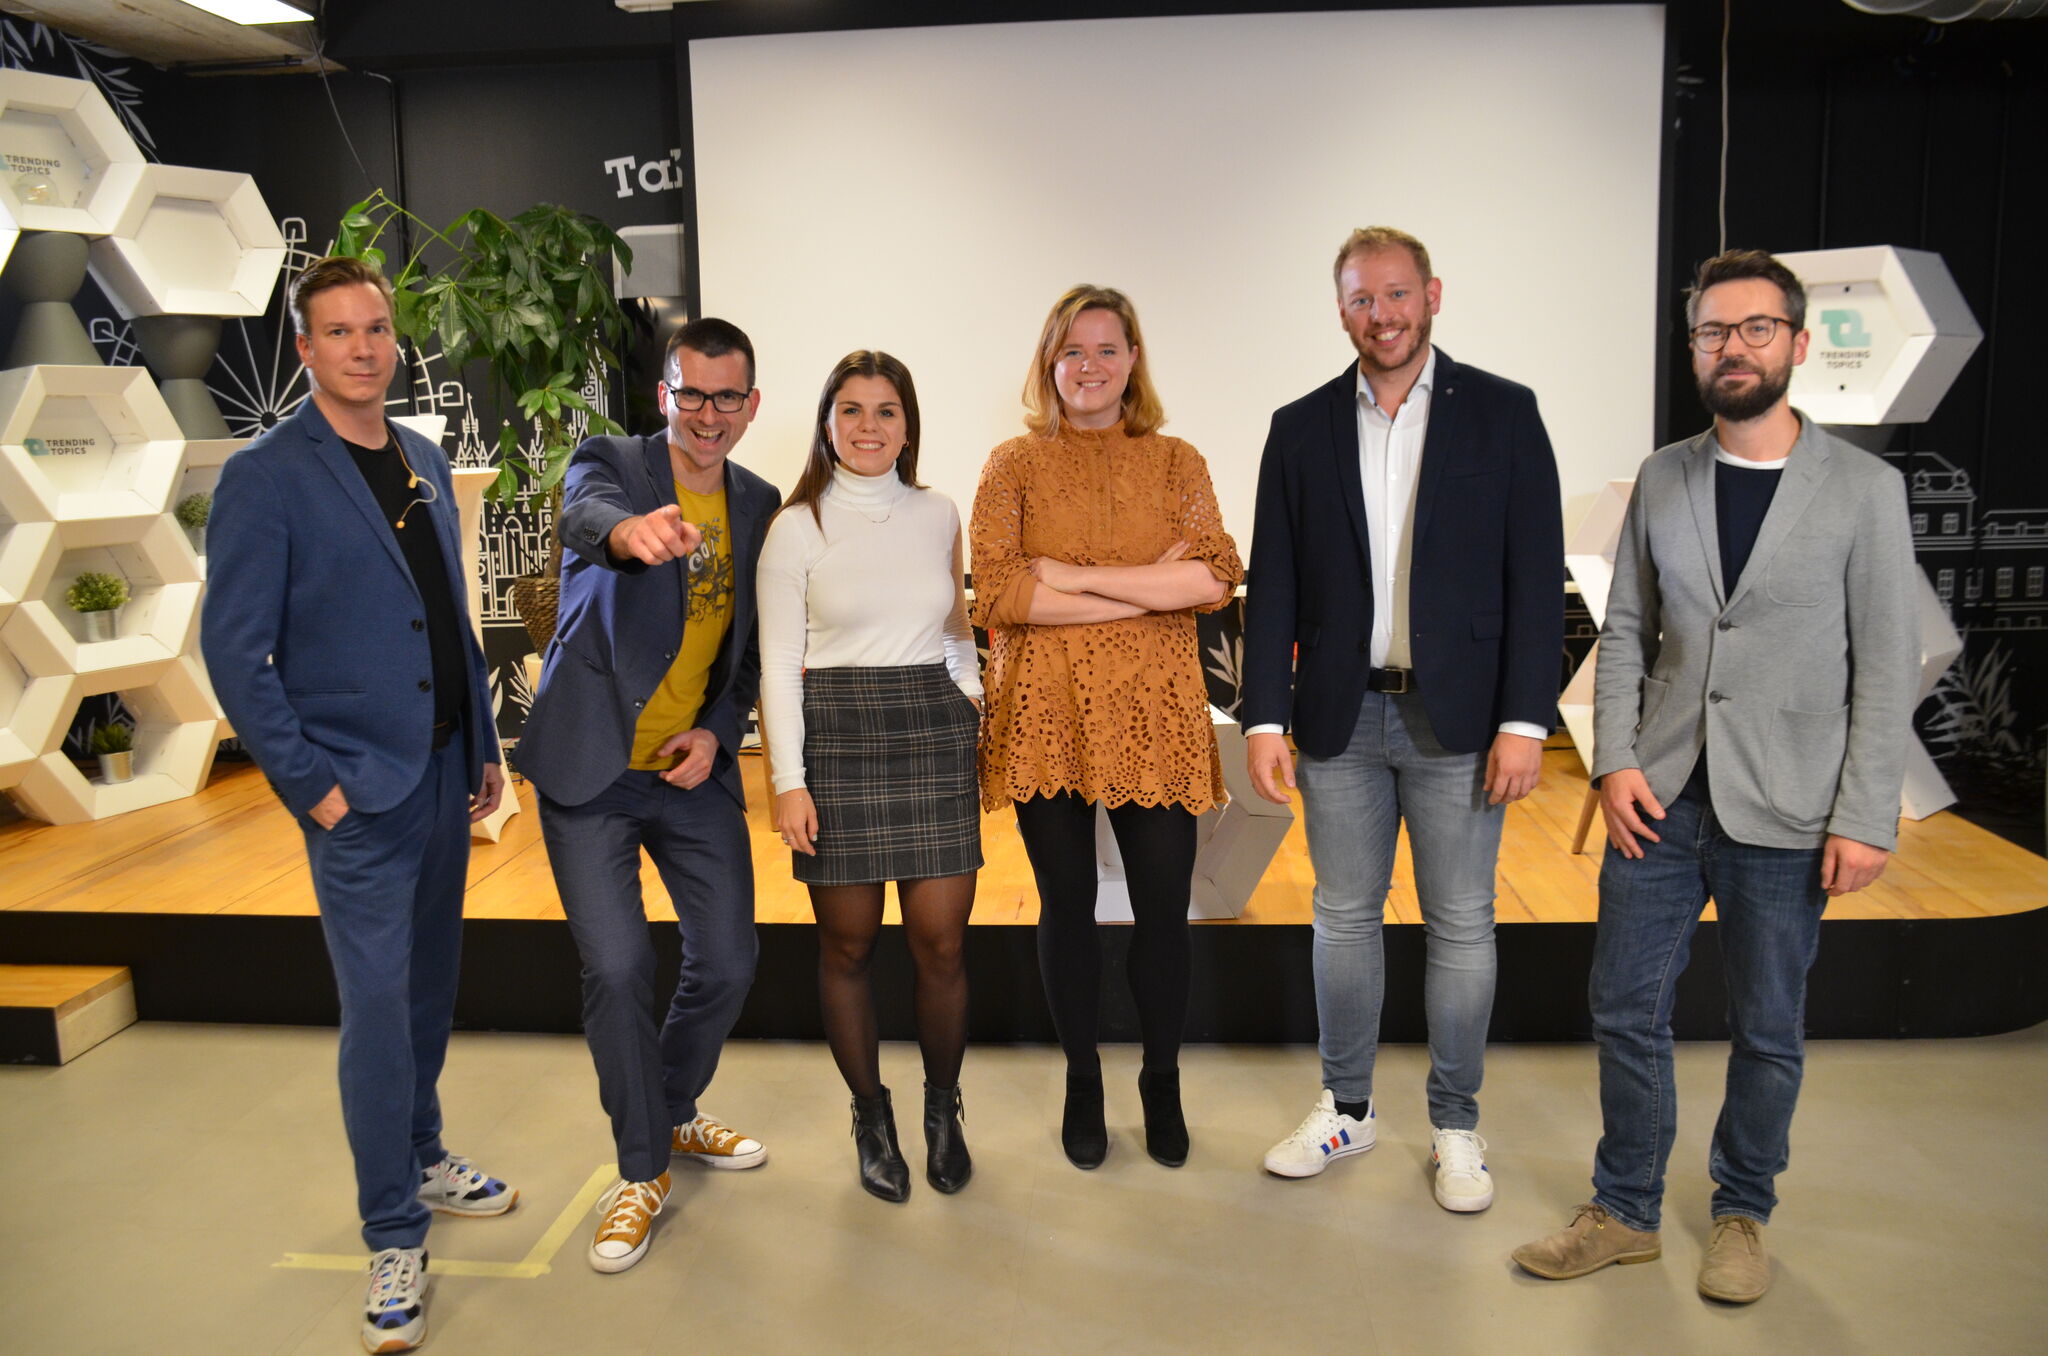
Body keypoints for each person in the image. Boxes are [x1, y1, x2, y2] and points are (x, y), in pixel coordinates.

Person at [1512, 249, 1918, 1301]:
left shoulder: (1864, 491)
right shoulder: (1664, 475)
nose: (1730, 348)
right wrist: (1612, 763)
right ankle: (1624, 1210)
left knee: (1767, 1027)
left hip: (1789, 803)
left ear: (1796, 341)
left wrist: (1865, 815)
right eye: (1711, 332)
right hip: (1659, 796)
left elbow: (1884, 664)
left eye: (1753, 329)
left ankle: (1742, 1212)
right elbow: (1627, 631)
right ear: (1693, 347)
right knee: (1622, 1008)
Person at [203, 255, 514, 1355]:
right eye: (337, 332)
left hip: (441, 772)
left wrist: (484, 747)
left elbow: (448, 615)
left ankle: (422, 1155)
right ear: (304, 351)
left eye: (376, 328)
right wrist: (311, 786)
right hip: (356, 795)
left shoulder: (420, 455)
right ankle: (391, 1232)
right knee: (377, 1011)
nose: (363, 348)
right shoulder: (267, 476)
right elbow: (235, 655)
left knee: (427, 990)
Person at [1241, 227, 1564, 1211]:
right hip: (1338, 720)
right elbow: (1274, 584)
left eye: (1394, 294)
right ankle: (1347, 1108)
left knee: (1461, 925)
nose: (1379, 315)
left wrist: (1525, 720)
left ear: (1431, 294)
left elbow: (1533, 576)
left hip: (1459, 721)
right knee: (1343, 919)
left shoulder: (1505, 413)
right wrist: (1263, 718)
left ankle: (1455, 1126)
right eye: (1359, 299)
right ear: (1340, 308)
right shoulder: (1299, 427)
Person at [514, 318, 779, 1275]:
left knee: (732, 959)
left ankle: (670, 1106)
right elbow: (586, 516)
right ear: (665, 393)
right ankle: (640, 1168)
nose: (707, 414)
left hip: (686, 767)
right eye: (690, 392)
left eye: (726, 396)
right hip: (590, 767)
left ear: (751, 405)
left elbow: (747, 653)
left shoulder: (759, 503)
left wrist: (719, 731)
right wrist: (631, 534)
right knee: (620, 966)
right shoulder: (613, 464)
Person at [970, 285, 1242, 1170]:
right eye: (1072, 350)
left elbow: (1215, 578)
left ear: (1133, 360)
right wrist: (1144, 588)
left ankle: (1161, 1080)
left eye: (1107, 349)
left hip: (1156, 716)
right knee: (1068, 906)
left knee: (1164, 911)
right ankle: (1082, 1080)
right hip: (1044, 713)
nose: (1089, 366)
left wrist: (1071, 576)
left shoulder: (1176, 462)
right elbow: (1001, 593)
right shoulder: (1012, 464)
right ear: (1049, 362)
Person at [755, 351, 984, 1202]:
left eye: (886, 410)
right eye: (850, 409)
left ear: (908, 426)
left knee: (943, 944)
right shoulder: (795, 527)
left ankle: (942, 1112)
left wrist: (970, 703)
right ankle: (871, 1115)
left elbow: (956, 628)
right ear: (827, 423)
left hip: (931, 730)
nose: (868, 426)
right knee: (848, 946)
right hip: (837, 739)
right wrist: (788, 780)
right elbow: (778, 668)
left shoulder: (938, 512)